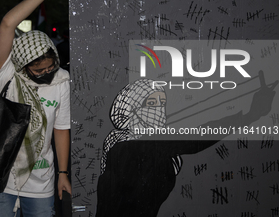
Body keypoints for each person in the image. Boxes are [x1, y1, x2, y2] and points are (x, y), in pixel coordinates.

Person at [96, 77, 277, 217]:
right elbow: (196, 136)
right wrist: (249, 115)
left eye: (162, 103)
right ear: (130, 109)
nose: (158, 109)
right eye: (151, 103)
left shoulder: (158, 149)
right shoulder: (126, 147)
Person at [0, 0, 76, 217]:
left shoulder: (61, 80)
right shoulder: (4, 74)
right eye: (38, 70)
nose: (47, 73)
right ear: (23, 65)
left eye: (50, 66)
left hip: (41, 180)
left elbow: (61, 128)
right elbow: (8, 23)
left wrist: (63, 174)